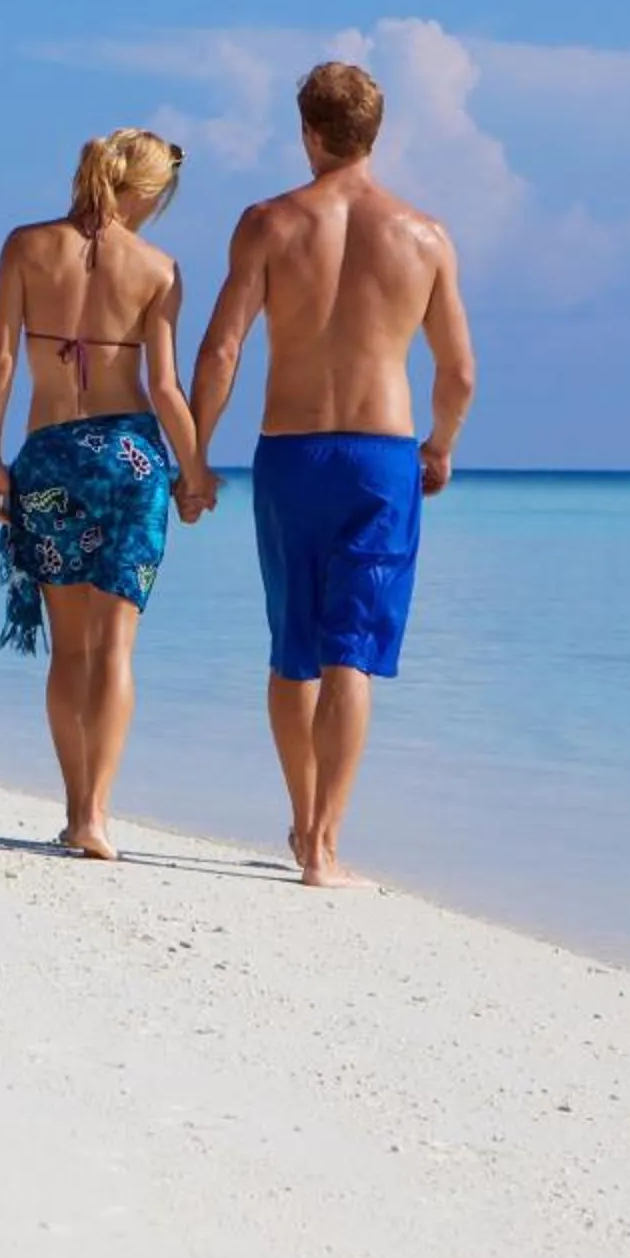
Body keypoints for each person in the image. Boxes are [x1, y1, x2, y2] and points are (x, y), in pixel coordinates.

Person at [183, 64, 477, 888]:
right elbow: (457, 371)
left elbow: (222, 350)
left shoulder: (268, 223)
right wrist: (441, 446)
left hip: (291, 452)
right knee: (354, 650)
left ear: (308, 132)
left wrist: (196, 457)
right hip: (381, 457)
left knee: (293, 649)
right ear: (374, 134)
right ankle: (325, 845)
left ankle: (301, 815)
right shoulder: (425, 236)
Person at [0, 128, 204, 861]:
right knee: (115, 651)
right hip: (131, 461)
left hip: (48, 456)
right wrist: (195, 470)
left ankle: (75, 809)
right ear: (146, 191)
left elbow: (4, 363)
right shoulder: (159, 269)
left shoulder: (23, 246)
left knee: (68, 650)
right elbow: (166, 388)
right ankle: (99, 816)